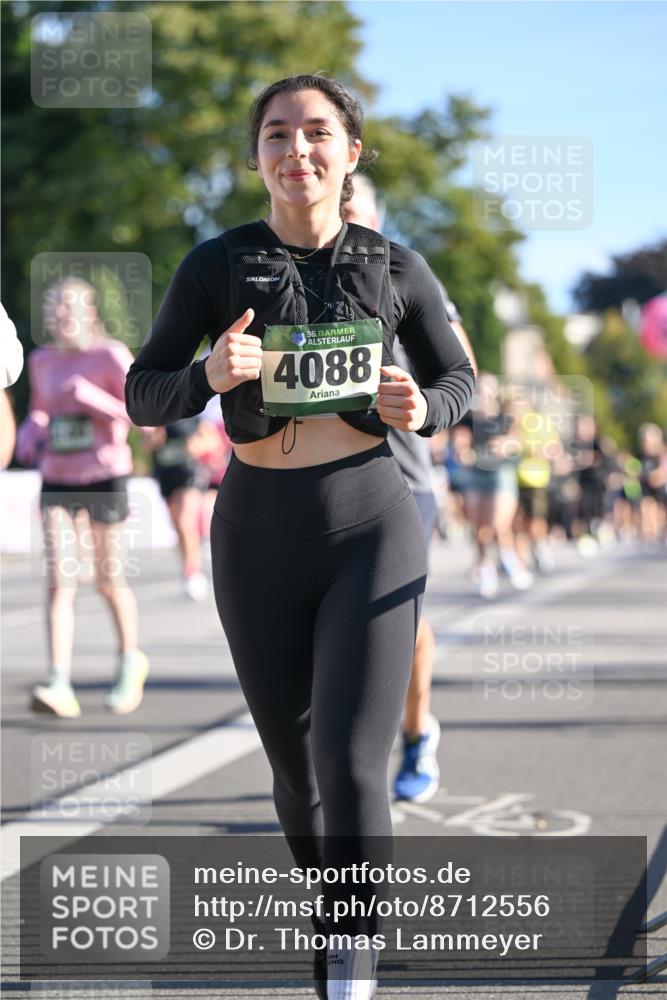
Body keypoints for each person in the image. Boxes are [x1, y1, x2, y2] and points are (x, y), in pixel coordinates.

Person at [125, 74, 474, 999]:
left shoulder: (396, 265)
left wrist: (424, 407)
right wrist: (206, 374)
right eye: (276, 135)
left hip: (370, 525)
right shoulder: (214, 264)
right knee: (294, 770)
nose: (296, 150)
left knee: (349, 762)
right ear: (256, 158)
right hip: (254, 533)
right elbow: (141, 393)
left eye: (316, 132)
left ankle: (347, 970)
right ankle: (334, 928)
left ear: (350, 153)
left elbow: (457, 380)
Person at [342, 174, 476, 803]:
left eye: (354, 207)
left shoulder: (404, 272)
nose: (342, 216)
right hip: (319, 480)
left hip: (401, 477)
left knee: (399, 620)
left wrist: (419, 396)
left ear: (378, 216)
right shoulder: (284, 271)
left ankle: (417, 732)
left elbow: (460, 367)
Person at [16, 277, 149, 718]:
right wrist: (32, 425)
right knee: (59, 581)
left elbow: (144, 419)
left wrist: (93, 399)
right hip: (57, 478)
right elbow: (40, 407)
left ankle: (131, 661)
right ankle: (58, 682)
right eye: (54, 311)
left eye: (69, 309)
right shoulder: (40, 361)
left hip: (104, 477)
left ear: (90, 313)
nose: (61, 318)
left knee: (107, 579)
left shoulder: (109, 355)